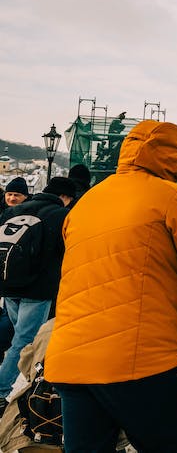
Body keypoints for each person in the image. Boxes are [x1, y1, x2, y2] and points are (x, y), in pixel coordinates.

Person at [45, 120, 177, 452]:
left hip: (71, 361)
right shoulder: (174, 197)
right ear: (176, 158)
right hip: (141, 361)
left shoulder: (86, 202)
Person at [0, 177, 75, 413]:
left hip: (8, 284)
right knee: (23, 339)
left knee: (19, 338)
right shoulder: (59, 215)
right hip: (37, 288)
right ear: (66, 198)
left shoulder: (16, 210)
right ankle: (1, 390)